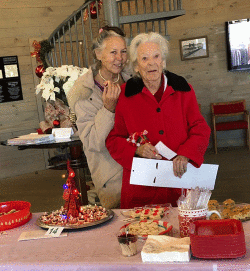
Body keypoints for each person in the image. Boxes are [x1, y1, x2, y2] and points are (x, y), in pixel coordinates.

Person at [106, 32, 211, 209]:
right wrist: (137, 150)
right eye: (144, 58)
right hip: (142, 188)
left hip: (179, 183)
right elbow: (114, 139)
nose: (151, 63)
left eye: (156, 56)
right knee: (141, 234)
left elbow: (200, 128)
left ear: (163, 61)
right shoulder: (125, 95)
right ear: (137, 66)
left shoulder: (183, 90)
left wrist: (186, 153)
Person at [67, 26, 131, 209]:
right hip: (113, 177)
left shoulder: (132, 81)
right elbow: (92, 143)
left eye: (123, 52)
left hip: (140, 168)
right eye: (113, 52)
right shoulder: (83, 92)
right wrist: (108, 109)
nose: (120, 58)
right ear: (98, 54)